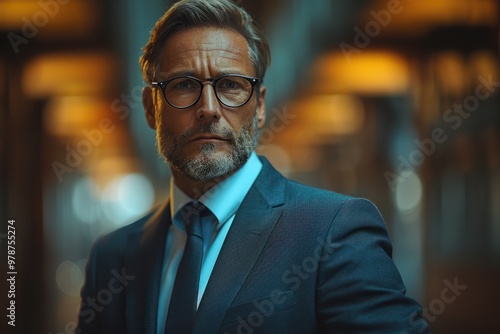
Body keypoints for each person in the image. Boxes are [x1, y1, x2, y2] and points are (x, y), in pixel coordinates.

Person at [77, 0, 430, 333]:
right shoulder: (111, 259)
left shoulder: (335, 232)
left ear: (260, 106)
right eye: (184, 85)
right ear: (151, 108)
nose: (209, 108)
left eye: (230, 85)